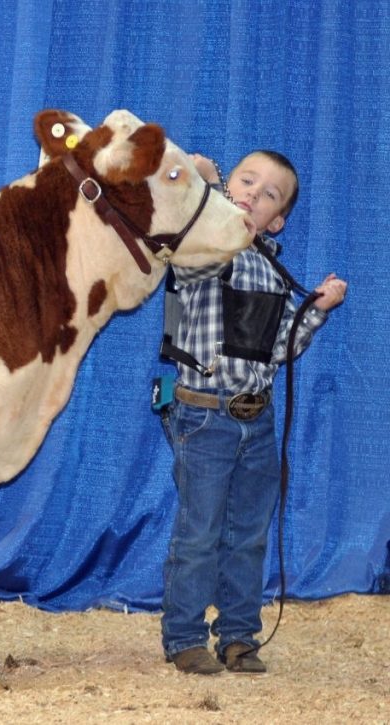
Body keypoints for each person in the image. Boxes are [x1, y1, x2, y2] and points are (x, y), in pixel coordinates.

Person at [160, 150, 347, 675]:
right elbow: (191, 259)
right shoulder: (202, 243)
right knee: (199, 532)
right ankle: (185, 637)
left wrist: (317, 309)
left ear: (278, 219)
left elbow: (283, 346)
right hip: (204, 416)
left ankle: (239, 635)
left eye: (269, 195)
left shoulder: (270, 268)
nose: (253, 195)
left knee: (248, 533)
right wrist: (211, 187)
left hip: (255, 419)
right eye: (246, 181)